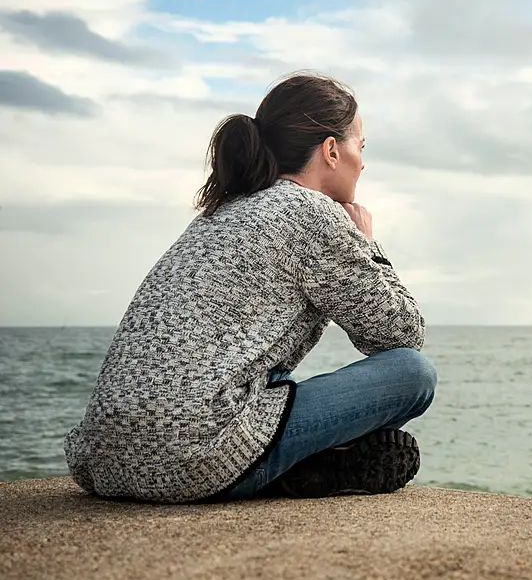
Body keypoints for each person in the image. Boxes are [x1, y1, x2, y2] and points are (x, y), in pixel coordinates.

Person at [62, 72, 437, 504]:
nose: (364, 162)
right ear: (332, 151)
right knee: (413, 373)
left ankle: (296, 466)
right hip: (191, 458)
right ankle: (288, 469)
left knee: (269, 373)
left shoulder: (220, 212)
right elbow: (402, 334)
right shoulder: (311, 213)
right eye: (360, 147)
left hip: (102, 463)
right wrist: (369, 245)